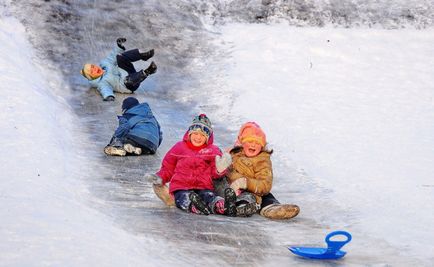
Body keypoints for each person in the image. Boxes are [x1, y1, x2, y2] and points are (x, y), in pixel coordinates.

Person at [145, 114, 236, 216]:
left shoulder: (213, 151)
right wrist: (160, 177)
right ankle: (193, 205)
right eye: (195, 133)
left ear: (207, 137)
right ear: (189, 133)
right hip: (182, 186)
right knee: (183, 197)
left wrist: (219, 169)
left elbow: (214, 174)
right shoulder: (179, 147)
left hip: (203, 187)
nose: (198, 137)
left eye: (202, 135)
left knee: (209, 196)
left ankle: (222, 206)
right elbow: (168, 168)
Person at [224, 122, 300, 219]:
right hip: (231, 189)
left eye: (257, 143)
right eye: (250, 141)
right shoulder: (233, 154)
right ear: (242, 142)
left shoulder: (262, 160)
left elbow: (265, 184)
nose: (253, 145)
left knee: (264, 195)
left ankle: (271, 208)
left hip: (253, 191)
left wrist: (246, 183)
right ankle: (231, 204)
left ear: (262, 146)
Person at [80, 38, 157, 101]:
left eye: (93, 67)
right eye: (92, 71)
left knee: (119, 57)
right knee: (127, 80)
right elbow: (105, 89)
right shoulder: (102, 82)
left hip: (127, 72)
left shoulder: (105, 64)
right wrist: (108, 96)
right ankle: (148, 71)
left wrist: (119, 46)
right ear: (92, 77)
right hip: (129, 85)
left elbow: (112, 56)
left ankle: (143, 55)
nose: (95, 69)